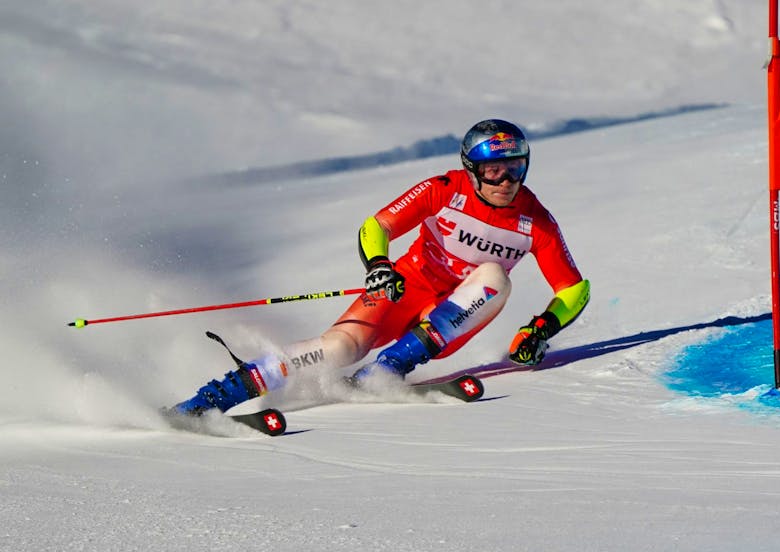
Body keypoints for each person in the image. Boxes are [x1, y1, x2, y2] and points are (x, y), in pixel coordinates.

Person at [172, 119, 590, 415]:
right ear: (472, 170)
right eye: (494, 171)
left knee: (494, 277)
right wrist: (378, 266)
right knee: (338, 348)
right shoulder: (443, 189)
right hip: (405, 288)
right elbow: (378, 225)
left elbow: (574, 289)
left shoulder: (535, 221)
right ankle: (214, 399)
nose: (506, 182)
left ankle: (389, 368)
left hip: (453, 316)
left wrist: (539, 331)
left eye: (514, 169)